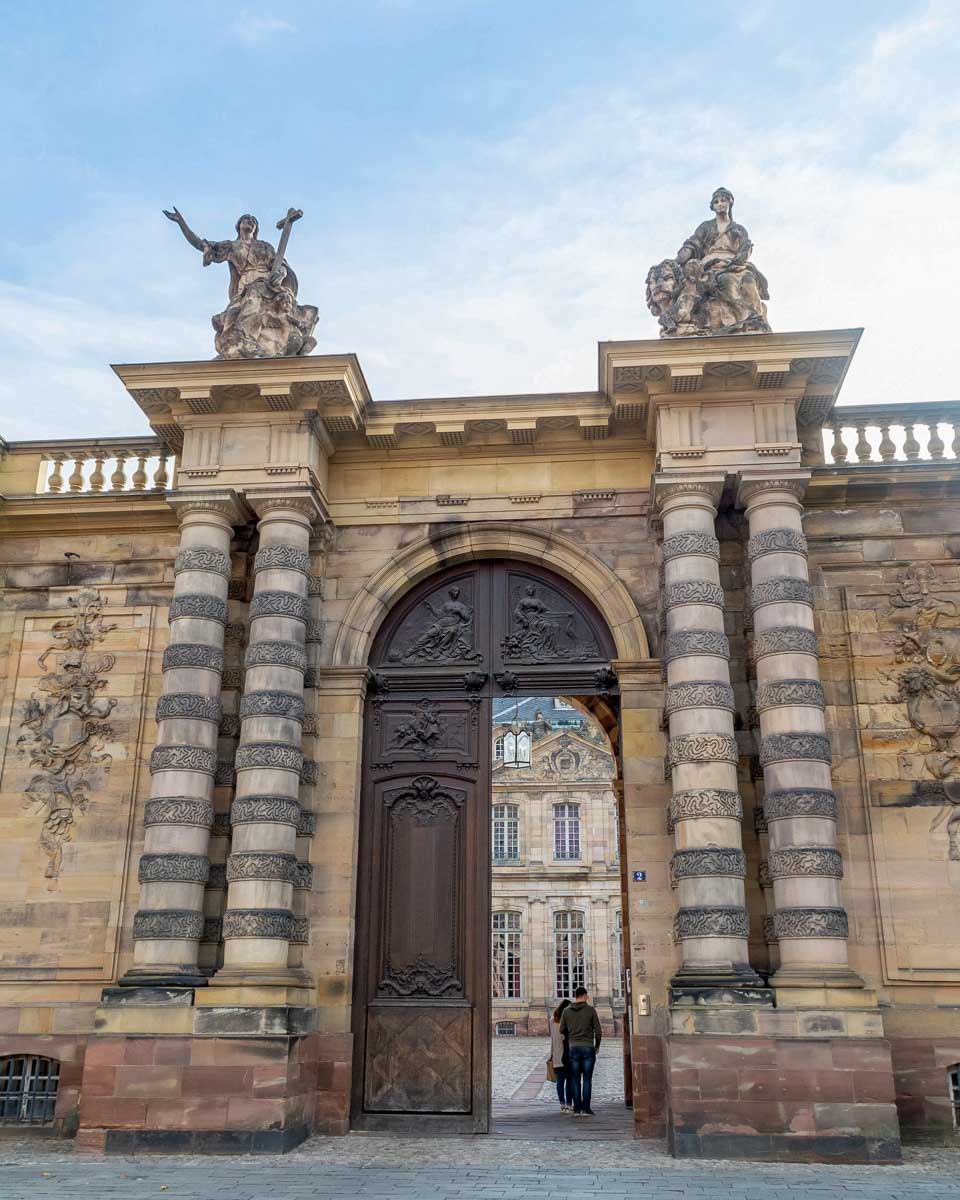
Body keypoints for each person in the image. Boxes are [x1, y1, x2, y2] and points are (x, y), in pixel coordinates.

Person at [559, 985, 602, 1117]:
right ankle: (586, 1109)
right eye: (586, 996)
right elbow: (598, 1031)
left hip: (573, 1048)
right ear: (584, 996)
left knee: (575, 1079)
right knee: (587, 1080)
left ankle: (577, 1109)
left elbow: (561, 1029)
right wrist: (597, 1046)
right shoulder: (590, 1010)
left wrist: (571, 1035)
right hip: (588, 1047)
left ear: (576, 996)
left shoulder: (566, 1011)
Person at [549, 999, 573, 1112]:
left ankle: (562, 1104)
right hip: (568, 1055)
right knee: (569, 1080)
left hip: (557, 1055)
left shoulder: (552, 1020)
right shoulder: (569, 1021)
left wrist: (551, 1054)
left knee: (560, 1081)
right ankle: (569, 1104)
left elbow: (552, 1040)